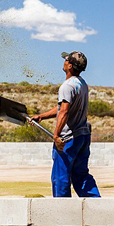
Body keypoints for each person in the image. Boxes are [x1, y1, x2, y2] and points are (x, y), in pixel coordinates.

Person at [30, 51, 100, 198]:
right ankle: (96, 204)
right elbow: (61, 108)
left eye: (66, 60)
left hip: (68, 139)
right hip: (83, 136)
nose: (63, 61)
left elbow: (64, 112)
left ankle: (62, 213)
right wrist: (41, 116)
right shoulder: (82, 84)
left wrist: (56, 135)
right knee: (81, 176)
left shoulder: (67, 86)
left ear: (69, 65)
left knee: (60, 177)